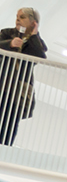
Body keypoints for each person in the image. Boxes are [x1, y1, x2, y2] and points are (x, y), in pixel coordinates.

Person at [0, 8, 46, 147]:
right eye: (17, 16)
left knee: (10, 123)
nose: (18, 19)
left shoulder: (36, 42)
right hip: (3, 82)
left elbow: (39, 56)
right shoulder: (6, 33)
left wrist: (33, 35)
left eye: (22, 17)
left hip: (18, 90)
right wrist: (10, 44)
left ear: (33, 23)